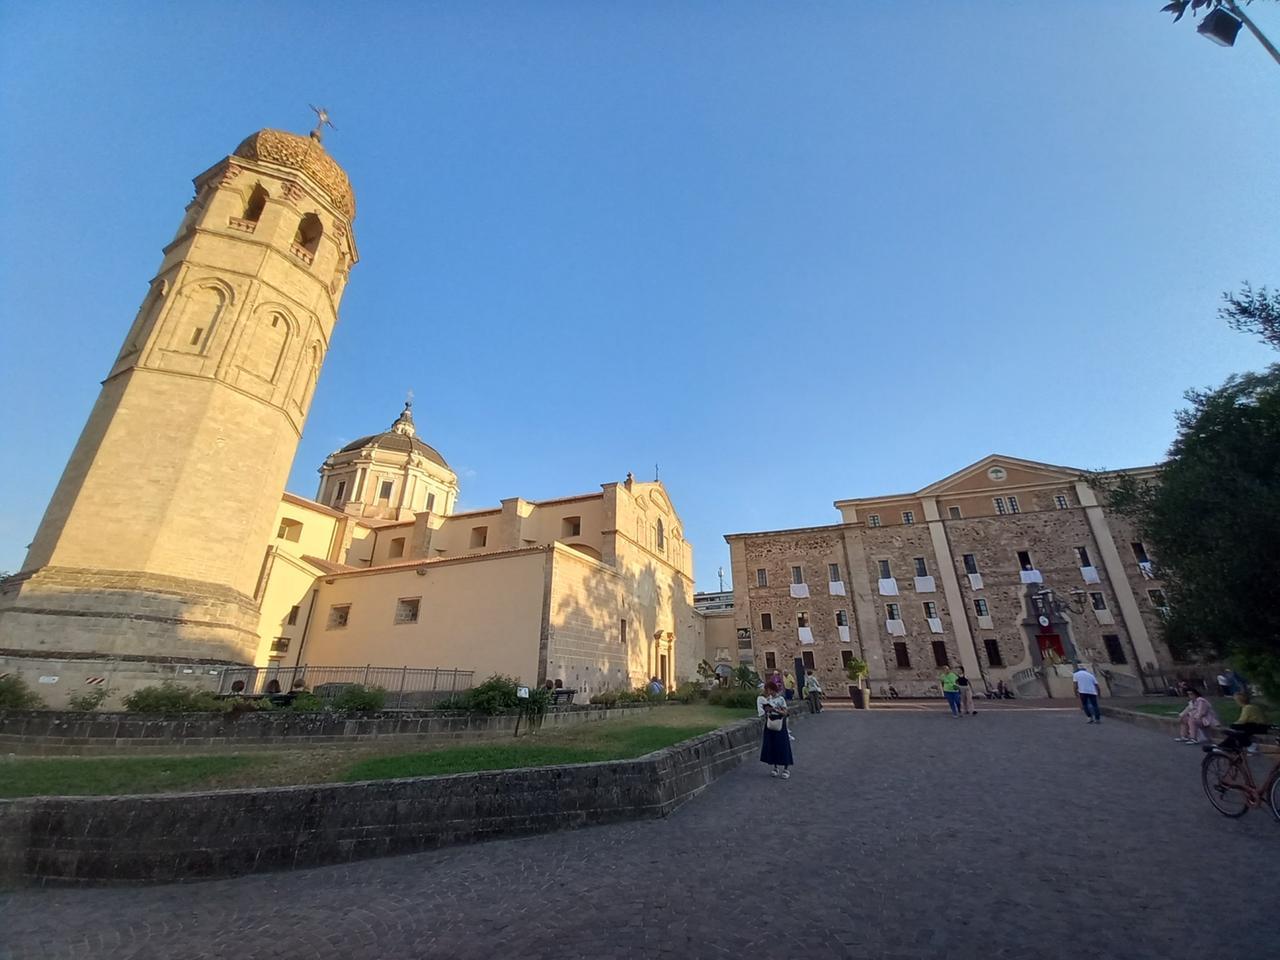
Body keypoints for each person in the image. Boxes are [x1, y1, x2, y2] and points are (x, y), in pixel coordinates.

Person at [757, 680, 794, 779]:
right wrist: (766, 710)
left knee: (783, 745)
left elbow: (786, 712)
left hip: (779, 723)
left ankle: (786, 768)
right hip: (770, 723)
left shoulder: (781, 699)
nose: (767, 691)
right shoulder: (767, 699)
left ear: (773, 689)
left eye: (768, 689)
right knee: (772, 745)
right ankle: (775, 767)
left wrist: (775, 710)